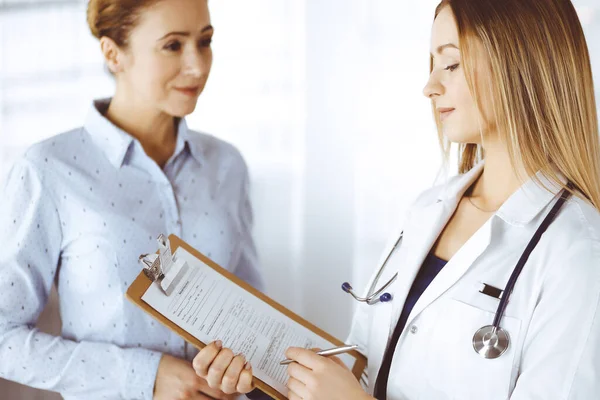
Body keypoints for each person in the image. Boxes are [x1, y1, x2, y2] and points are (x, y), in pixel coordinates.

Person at [191, 0, 600, 399]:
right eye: (432, 64)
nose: (430, 86)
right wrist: (264, 381)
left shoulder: (577, 251)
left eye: (452, 64)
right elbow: (362, 367)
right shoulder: (429, 209)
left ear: (521, 65)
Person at [0, 0, 264, 399]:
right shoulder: (48, 169)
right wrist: (146, 375)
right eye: (173, 45)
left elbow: (252, 322)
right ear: (112, 54)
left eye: (205, 41)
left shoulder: (227, 165)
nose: (197, 66)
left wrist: (245, 368)